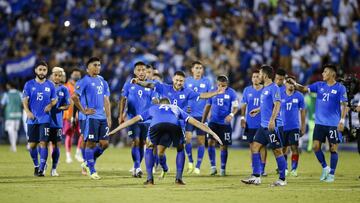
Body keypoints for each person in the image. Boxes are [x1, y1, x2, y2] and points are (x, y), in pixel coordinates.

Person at [109, 97, 223, 185]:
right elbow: (196, 123)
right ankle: (178, 179)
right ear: (169, 103)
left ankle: (149, 179)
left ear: (159, 104)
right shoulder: (176, 108)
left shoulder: (153, 108)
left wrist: (116, 129)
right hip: (174, 125)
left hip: (156, 125)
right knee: (180, 148)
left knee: (149, 146)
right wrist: (213, 133)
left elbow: (134, 119)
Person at [132, 70, 224, 178]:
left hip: (179, 125)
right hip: (165, 122)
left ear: (184, 81)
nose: (178, 83)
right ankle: (164, 168)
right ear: (173, 79)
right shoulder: (164, 88)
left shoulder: (188, 92)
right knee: (160, 152)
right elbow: (149, 84)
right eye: (177, 80)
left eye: (181, 81)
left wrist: (216, 93)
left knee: (180, 147)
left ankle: (179, 177)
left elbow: (203, 95)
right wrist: (138, 82)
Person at [287, 64, 347, 182]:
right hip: (319, 123)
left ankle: (332, 174)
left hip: (333, 124)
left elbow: (345, 105)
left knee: (333, 149)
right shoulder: (319, 85)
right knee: (315, 147)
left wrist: (342, 120)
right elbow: (304, 88)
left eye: (325, 72)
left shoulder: (340, 88)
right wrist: (294, 84)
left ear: (332, 74)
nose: (323, 74)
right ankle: (325, 167)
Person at [241, 65, 287, 186]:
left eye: (260, 74)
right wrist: (258, 109)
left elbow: (277, 104)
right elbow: (267, 105)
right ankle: (256, 176)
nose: (259, 76)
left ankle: (282, 179)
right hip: (263, 125)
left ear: (265, 75)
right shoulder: (265, 88)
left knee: (277, 151)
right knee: (255, 147)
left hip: (273, 125)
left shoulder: (274, 88)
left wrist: (272, 120)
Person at [72, 57, 111, 180]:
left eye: (99, 65)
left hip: (102, 117)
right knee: (90, 143)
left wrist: (109, 117)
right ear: (88, 68)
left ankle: (87, 162)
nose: (97, 67)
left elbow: (106, 100)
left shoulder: (103, 81)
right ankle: (92, 170)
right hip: (91, 117)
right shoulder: (84, 81)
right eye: (95, 65)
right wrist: (83, 110)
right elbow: (74, 97)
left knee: (105, 144)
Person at [118, 61, 157, 178]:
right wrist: (121, 115)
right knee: (135, 141)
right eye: (138, 70)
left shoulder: (151, 85)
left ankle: (136, 167)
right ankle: (137, 167)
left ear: (147, 71)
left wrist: (156, 102)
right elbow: (123, 99)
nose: (141, 72)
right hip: (133, 118)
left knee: (143, 143)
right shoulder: (128, 84)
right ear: (134, 72)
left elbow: (155, 100)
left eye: (143, 70)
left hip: (147, 120)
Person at [22, 61, 57, 176]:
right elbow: (24, 100)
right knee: (32, 145)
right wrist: (27, 111)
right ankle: (36, 165)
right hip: (32, 119)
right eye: (40, 69)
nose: (42, 72)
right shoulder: (29, 84)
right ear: (36, 71)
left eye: (44, 70)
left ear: (47, 71)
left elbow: (54, 99)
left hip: (45, 119)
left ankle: (41, 169)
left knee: (43, 143)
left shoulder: (50, 85)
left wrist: (50, 105)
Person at [202, 75, 239, 176]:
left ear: (227, 85)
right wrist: (203, 121)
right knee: (210, 142)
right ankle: (213, 167)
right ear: (216, 84)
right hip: (213, 122)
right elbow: (207, 106)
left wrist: (231, 114)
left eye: (223, 86)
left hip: (225, 124)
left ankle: (223, 168)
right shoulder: (212, 92)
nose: (221, 87)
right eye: (219, 85)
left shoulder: (232, 93)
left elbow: (236, 107)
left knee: (223, 146)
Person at [184, 61, 212, 174]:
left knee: (201, 141)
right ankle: (190, 161)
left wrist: (208, 112)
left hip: (202, 116)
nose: (199, 70)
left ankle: (198, 166)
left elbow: (210, 98)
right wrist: (185, 107)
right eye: (196, 68)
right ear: (192, 70)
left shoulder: (207, 82)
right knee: (187, 139)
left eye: (201, 68)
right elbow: (183, 96)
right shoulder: (187, 81)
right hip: (189, 116)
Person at [240, 70, 267, 175]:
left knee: (262, 146)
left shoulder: (265, 90)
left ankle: (262, 169)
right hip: (250, 123)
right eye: (253, 76)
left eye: (257, 76)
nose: (255, 78)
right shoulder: (247, 90)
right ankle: (255, 167)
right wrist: (242, 118)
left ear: (260, 78)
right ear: (251, 79)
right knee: (251, 146)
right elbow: (243, 105)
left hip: (262, 123)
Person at [281, 76, 306, 177]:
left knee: (294, 147)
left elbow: (303, 112)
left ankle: (294, 169)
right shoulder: (280, 95)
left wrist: (303, 126)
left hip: (294, 126)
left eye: (292, 83)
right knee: (283, 148)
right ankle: (285, 168)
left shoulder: (299, 96)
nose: (291, 85)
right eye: (288, 83)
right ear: (285, 84)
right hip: (282, 126)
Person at [48, 67, 70, 176]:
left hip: (57, 122)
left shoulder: (64, 89)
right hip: (45, 121)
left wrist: (61, 108)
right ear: (52, 75)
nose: (57, 77)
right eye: (55, 75)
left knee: (56, 144)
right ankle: (42, 166)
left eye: (59, 75)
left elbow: (67, 104)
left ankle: (54, 168)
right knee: (42, 144)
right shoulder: (45, 86)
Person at [63, 68, 84, 163]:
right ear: (71, 75)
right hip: (68, 114)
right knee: (69, 134)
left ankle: (78, 153)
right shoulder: (66, 86)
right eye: (75, 74)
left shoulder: (82, 86)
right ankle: (68, 155)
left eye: (78, 74)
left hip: (80, 114)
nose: (76, 76)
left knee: (83, 134)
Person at [1, 82, 22, 152]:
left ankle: (13, 146)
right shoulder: (20, 94)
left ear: (9, 86)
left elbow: (2, 104)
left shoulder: (6, 94)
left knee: (10, 131)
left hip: (9, 115)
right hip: (18, 114)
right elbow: (23, 103)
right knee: (15, 131)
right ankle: (13, 145)